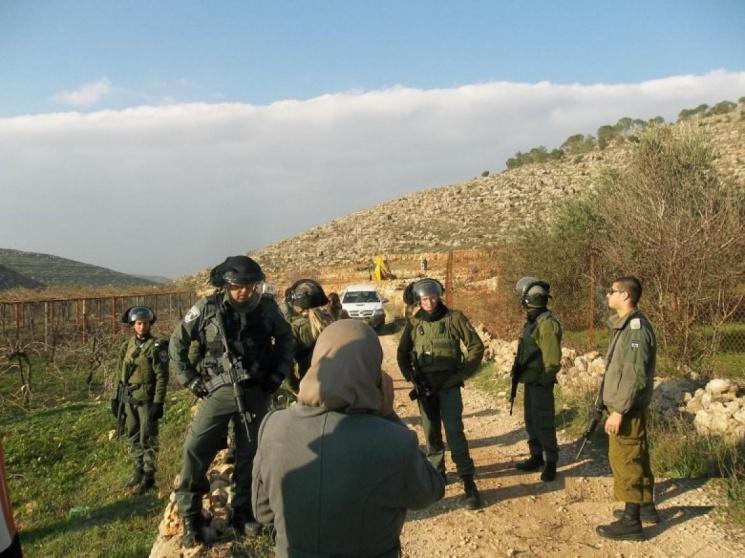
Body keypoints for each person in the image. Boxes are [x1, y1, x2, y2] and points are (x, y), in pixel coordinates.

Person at [252, 320, 444, 557]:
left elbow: (262, 512)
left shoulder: (273, 426)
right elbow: (430, 492)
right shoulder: (395, 441)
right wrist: (389, 415)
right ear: (374, 373)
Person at [169, 255, 295, 547]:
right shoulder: (207, 308)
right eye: (239, 286)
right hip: (219, 391)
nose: (245, 291)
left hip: (256, 391)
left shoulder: (266, 308)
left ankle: (243, 510)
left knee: (252, 452)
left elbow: (286, 340)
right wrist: (190, 379)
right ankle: (190, 516)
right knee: (195, 448)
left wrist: (277, 375)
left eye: (251, 286)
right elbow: (177, 344)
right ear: (227, 285)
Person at [396, 278, 484, 509]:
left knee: (455, 433)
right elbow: (402, 353)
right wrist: (412, 377)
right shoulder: (414, 323)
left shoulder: (454, 318)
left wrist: (462, 374)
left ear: (439, 296)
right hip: (425, 389)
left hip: (449, 387)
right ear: (419, 300)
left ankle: (467, 480)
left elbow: (476, 346)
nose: (429, 303)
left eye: (433, 297)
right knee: (431, 435)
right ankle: (436, 475)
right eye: (424, 299)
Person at [596, 276, 658, 541]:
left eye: (612, 291)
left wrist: (619, 410)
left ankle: (631, 522)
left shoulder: (635, 329)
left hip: (627, 408)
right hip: (626, 406)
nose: (608, 295)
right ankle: (645, 507)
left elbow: (634, 374)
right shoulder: (626, 325)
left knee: (627, 460)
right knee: (637, 455)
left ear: (625, 296)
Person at [111, 305, 169, 494]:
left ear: (150, 324)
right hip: (129, 398)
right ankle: (138, 470)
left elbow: (162, 377)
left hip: (146, 400)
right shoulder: (127, 346)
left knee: (148, 437)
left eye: (144, 323)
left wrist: (158, 402)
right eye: (138, 324)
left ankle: (149, 475)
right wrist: (115, 398)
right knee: (133, 435)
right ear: (132, 325)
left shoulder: (156, 347)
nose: (142, 327)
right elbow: (119, 374)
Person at [512, 277, 562, 482]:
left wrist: (544, 380)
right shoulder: (534, 321)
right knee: (531, 421)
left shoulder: (546, 324)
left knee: (543, 422)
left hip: (541, 382)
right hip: (532, 380)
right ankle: (536, 456)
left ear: (528, 300)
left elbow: (552, 360)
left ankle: (551, 462)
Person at [286, 279, 336, 393]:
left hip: (310, 387)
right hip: (337, 382)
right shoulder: (333, 321)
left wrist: (294, 387)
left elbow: (286, 362)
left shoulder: (296, 328)